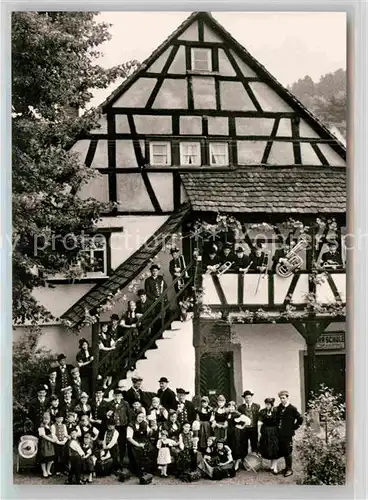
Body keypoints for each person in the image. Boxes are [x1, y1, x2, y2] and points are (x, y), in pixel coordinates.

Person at [275, 390, 303, 477]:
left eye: (284, 398)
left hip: (288, 434)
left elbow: (300, 419)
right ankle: (286, 468)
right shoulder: (279, 407)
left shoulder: (292, 409)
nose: (282, 400)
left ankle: (289, 469)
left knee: (288, 451)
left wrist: (293, 427)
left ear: (287, 398)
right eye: (281, 398)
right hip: (280, 433)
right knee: (283, 450)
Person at [107, 388, 130, 468]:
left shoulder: (125, 403)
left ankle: (122, 461)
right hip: (114, 427)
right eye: (116, 395)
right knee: (113, 444)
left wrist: (128, 425)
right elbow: (108, 416)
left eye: (119, 396)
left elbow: (129, 415)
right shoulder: (110, 404)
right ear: (113, 396)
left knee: (122, 443)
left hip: (123, 426)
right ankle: (114, 463)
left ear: (121, 396)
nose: (117, 397)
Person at [127, 412, 153, 477]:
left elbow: (148, 433)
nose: (140, 418)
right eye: (139, 416)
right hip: (134, 442)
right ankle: (138, 470)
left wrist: (151, 431)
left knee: (151, 449)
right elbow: (129, 438)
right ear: (136, 416)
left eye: (142, 417)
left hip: (143, 440)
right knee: (138, 451)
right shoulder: (131, 425)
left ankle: (147, 469)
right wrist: (138, 444)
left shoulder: (144, 423)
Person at [259, 398, 279, 474]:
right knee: (269, 448)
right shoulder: (263, 411)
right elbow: (260, 420)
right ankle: (272, 466)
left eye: (268, 404)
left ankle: (275, 467)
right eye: (266, 404)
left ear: (271, 404)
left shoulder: (276, 411)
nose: (267, 406)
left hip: (274, 432)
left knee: (274, 449)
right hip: (266, 432)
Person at [238, 390, 260, 457]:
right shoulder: (240, 407)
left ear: (251, 397)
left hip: (253, 428)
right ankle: (244, 459)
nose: (248, 399)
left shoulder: (257, 406)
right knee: (244, 444)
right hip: (244, 429)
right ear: (244, 398)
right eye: (246, 398)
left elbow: (259, 418)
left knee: (254, 444)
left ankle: (255, 460)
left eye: (249, 397)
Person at [226, 401, 245, 471]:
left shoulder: (237, 414)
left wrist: (240, 427)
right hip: (229, 432)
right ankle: (232, 462)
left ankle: (237, 463)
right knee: (230, 446)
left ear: (235, 407)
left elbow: (245, 422)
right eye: (229, 406)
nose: (231, 408)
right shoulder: (228, 414)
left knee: (236, 447)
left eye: (232, 407)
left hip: (236, 432)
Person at [98, 323, 116, 389]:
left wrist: (117, 341)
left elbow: (113, 344)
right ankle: (104, 384)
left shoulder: (108, 335)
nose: (105, 329)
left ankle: (109, 383)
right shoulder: (99, 336)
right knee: (105, 370)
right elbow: (101, 347)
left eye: (106, 327)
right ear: (101, 328)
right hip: (103, 354)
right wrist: (111, 349)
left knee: (110, 369)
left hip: (109, 355)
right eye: (103, 327)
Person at [38, 411, 55, 478]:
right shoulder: (41, 425)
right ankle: (44, 471)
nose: (46, 420)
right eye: (45, 419)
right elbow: (43, 435)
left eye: (47, 419)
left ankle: (48, 470)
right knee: (44, 458)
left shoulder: (51, 425)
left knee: (51, 458)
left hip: (50, 444)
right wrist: (51, 440)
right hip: (44, 443)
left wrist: (54, 439)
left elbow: (53, 433)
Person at [51, 412, 68, 476]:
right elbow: (53, 434)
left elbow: (66, 434)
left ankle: (64, 470)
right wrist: (58, 442)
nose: (60, 419)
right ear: (56, 419)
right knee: (57, 457)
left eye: (61, 418)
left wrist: (64, 441)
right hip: (57, 443)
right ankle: (57, 470)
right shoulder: (53, 426)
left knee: (64, 456)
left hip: (63, 443)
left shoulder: (64, 425)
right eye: (58, 418)